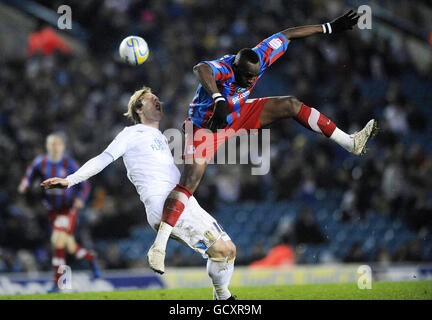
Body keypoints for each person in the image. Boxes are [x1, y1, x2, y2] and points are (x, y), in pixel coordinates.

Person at [148, 10, 379, 274]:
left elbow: (289, 34)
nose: (250, 80)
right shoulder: (224, 68)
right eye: (246, 76)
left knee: (291, 104)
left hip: (239, 113)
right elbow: (200, 68)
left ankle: (350, 142)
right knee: (189, 182)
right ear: (236, 68)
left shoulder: (261, 56)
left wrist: (328, 27)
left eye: (254, 76)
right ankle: (159, 246)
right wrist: (218, 98)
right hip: (205, 127)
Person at [40, 87, 237, 300]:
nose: (157, 100)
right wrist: (70, 180)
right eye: (150, 99)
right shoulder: (131, 133)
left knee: (230, 250)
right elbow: (103, 158)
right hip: (164, 206)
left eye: (157, 98)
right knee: (220, 251)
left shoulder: (160, 137)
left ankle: (221, 298)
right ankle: (224, 300)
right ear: (139, 108)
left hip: (184, 201)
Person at [18, 133, 100, 293]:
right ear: (47, 146)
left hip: (68, 208)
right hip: (52, 210)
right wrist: (25, 185)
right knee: (68, 245)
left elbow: (84, 183)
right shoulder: (40, 162)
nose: (54, 147)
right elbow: (30, 176)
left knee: (57, 240)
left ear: (62, 146)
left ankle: (59, 282)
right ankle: (91, 258)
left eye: (57, 144)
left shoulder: (69, 163)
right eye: (51, 144)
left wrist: (80, 199)